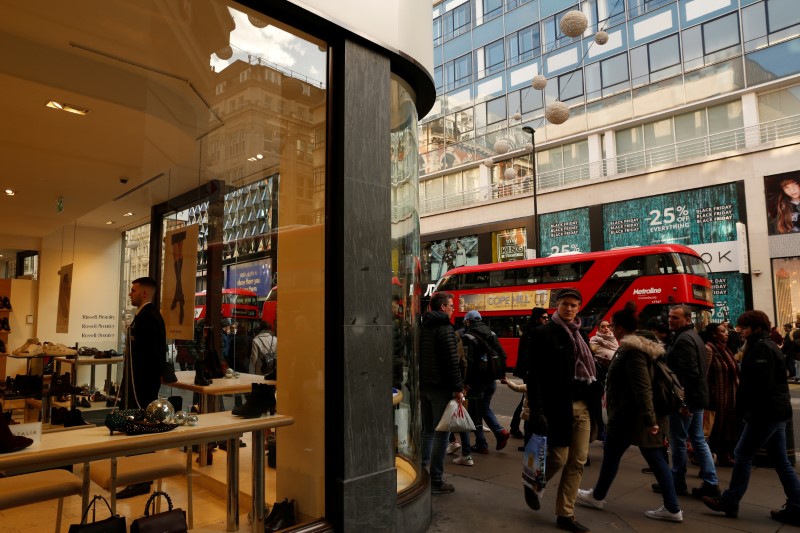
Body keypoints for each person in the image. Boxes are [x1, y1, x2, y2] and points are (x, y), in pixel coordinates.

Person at [576, 303, 683, 522]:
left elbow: (642, 387)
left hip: (635, 417)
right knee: (613, 454)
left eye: (613, 326)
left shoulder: (633, 350)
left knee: (654, 458)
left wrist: (650, 419)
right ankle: (597, 495)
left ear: (621, 328)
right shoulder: (638, 346)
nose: (611, 329)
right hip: (630, 417)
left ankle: (673, 508)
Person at [702, 310, 800, 526]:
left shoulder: (761, 348)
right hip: (776, 412)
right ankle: (796, 506)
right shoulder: (765, 345)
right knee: (781, 461)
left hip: (765, 414)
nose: (740, 330)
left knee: (742, 454)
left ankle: (729, 500)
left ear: (756, 327)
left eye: (744, 327)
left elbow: (759, 387)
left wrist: (747, 414)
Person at [527, 288, 602, 533]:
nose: (569, 309)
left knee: (577, 461)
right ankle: (533, 484)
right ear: (557, 305)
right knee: (558, 457)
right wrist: (537, 410)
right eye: (565, 304)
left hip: (583, 407)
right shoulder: (543, 333)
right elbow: (535, 376)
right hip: (557, 406)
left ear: (579, 308)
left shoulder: (582, 335)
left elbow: (589, 371)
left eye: (573, 305)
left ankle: (565, 514)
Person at [654, 305, 720, 499]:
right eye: (670, 317)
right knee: (698, 439)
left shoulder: (684, 340)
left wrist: (684, 403)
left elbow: (689, 374)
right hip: (697, 396)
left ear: (687, 319)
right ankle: (711, 482)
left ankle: (677, 481)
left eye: (675, 318)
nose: (670, 320)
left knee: (679, 440)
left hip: (686, 399)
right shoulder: (692, 336)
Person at [117, 276, 167, 500]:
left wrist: (150, 379)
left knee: (142, 426)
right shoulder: (143, 316)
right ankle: (136, 475)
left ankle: (141, 478)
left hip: (143, 384)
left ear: (144, 294)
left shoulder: (150, 317)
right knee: (135, 426)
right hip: (136, 381)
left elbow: (155, 352)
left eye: (134, 291)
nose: (130, 294)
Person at [420, 292, 464, 494]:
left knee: (428, 431)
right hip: (440, 388)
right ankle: (436, 479)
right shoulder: (445, 328)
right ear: (442, 308)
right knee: (442, 434)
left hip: (425, 385)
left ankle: (421, 472)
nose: (453, 308)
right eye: (451, 305)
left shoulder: (423, 326)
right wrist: (458, 388)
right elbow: (451, 362)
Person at [461, 310, 510, 455]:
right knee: (484, 408)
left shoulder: (468, 337)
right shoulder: (492, 334)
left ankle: (481, 444)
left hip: (477, 381)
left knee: (474, 412)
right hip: (491, 380)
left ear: (468, 322)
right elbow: (502, 354)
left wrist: (466, 382)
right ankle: (500, 431)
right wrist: (501, 374)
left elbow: (468, 362)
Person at [701, 322, 740, 467]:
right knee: (715, 429)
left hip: (729, 396)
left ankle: (724, 454)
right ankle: (708, 457)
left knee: (728, 426)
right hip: (716, 397)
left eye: (726, 331)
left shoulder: (725, 349)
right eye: (722, 331)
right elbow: (703, 375)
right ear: (713, 334)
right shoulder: (709, 349)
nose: (726, 333)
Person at [511, 307, 549, 445]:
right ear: (537, 318)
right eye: (544, 318)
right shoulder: (532, 333)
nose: (546, 320)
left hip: (531, 372)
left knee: (525, 401)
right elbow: (527, 356)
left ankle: (514, 427)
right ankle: (526, 435)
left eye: (547, 318)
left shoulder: (534, 331)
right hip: (531, 373)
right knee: (529, 401)